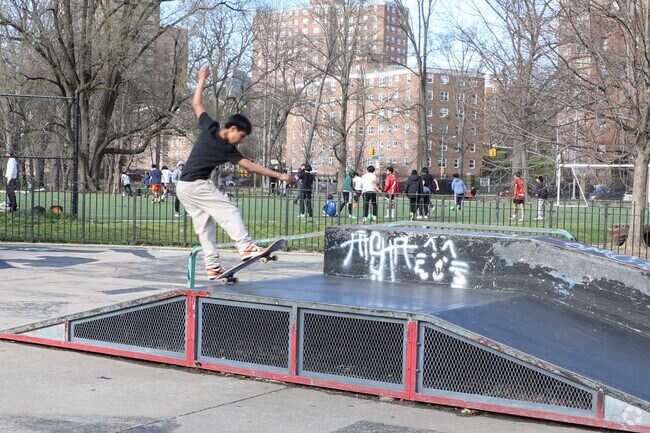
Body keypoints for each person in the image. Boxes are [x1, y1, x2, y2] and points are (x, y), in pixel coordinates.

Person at [176, 65, 292, 280]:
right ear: (232, 130)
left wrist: (201, 79)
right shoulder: (227, 148)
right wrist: (279, 175)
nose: (242, 140)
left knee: (205, 228)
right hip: (196, 185)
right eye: (242, 136)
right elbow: (250, 166)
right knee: (230, 212)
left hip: (183, 187)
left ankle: (212, 267)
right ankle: (245, 247)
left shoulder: (209, 127)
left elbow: (197, 103)